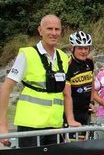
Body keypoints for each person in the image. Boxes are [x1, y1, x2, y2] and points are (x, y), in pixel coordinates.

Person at [0, 14, 69, 147]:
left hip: (55, 126)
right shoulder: (27, 54)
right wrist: (2, 125)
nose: (54, 33)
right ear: (40, 30)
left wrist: (69, 119)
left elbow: (65, 93)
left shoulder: (63, 57)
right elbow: (6, 87)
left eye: (57, 29)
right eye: (49, 29)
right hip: (31, 126)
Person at [64, 31, 95, 134]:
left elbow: (91, 82)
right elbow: (65, 93)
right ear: (72, 49)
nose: (83, 51)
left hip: (85, 111)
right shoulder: (67, 64)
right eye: (80, 48)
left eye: (86, 48)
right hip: (72, 112)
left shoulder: (89, 62)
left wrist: (91, 102)